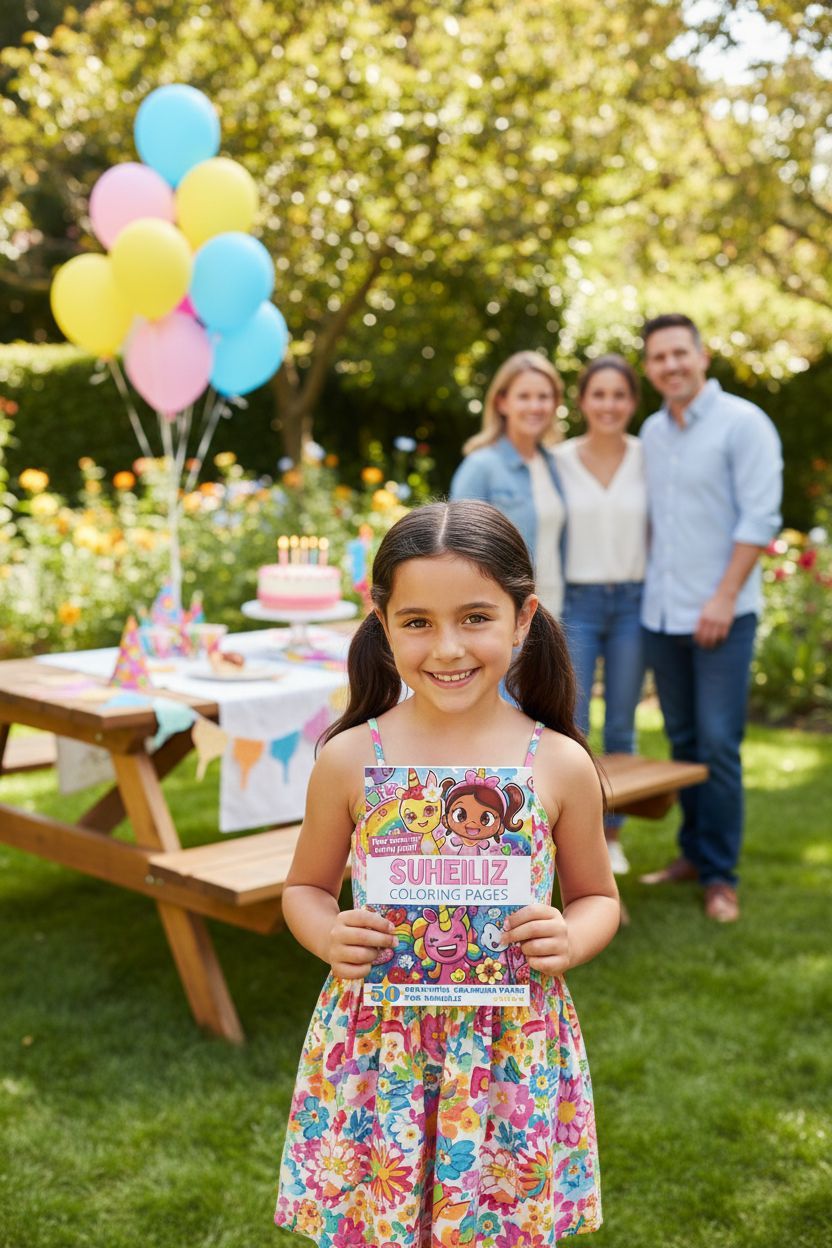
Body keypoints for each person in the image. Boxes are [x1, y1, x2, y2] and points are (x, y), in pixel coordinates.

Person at [274, 500, 619, 1247]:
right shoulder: (350, 759)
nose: (448, 647)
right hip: (378, 1049)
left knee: (496, 1225)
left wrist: (572, 936)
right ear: (383, 621)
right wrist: (329, 932)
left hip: (509, 1046)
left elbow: (596, 897)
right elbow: (303, 888)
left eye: (475, 617)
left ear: (523, 618)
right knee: (379, 1220)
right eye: (419, 622)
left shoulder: (556, 763)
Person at [638, 314, 783, 923]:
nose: (670, 365)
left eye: (680, 354)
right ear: (649, 368)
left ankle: (721, 876)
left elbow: (760, 519)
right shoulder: (649, 431)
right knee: (684, 744)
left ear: (703, 355)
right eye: (658, 358)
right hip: (661, 615)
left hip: (722, 612)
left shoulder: (743, 424)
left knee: (719, 745)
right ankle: (692, 856)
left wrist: (723, 596)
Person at [554, 356, 648, 876]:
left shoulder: (649, 456)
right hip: (581, 604)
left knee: (623, 724)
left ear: (632, 402)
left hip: (636, 601)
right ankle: (579, 837)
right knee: (576, 723)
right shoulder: (559, 460)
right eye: (599, 394)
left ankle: (613, 838)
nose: (609, 405)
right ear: (583, 400)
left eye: (619, 395)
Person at [449, 352, 567, 616]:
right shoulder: (481, 466)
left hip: (554, 612)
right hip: (505, 616)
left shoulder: (555, 464)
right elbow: (457, 550)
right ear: (502, 402)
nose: (535, 406)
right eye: (524, 396)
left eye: (544, 397)